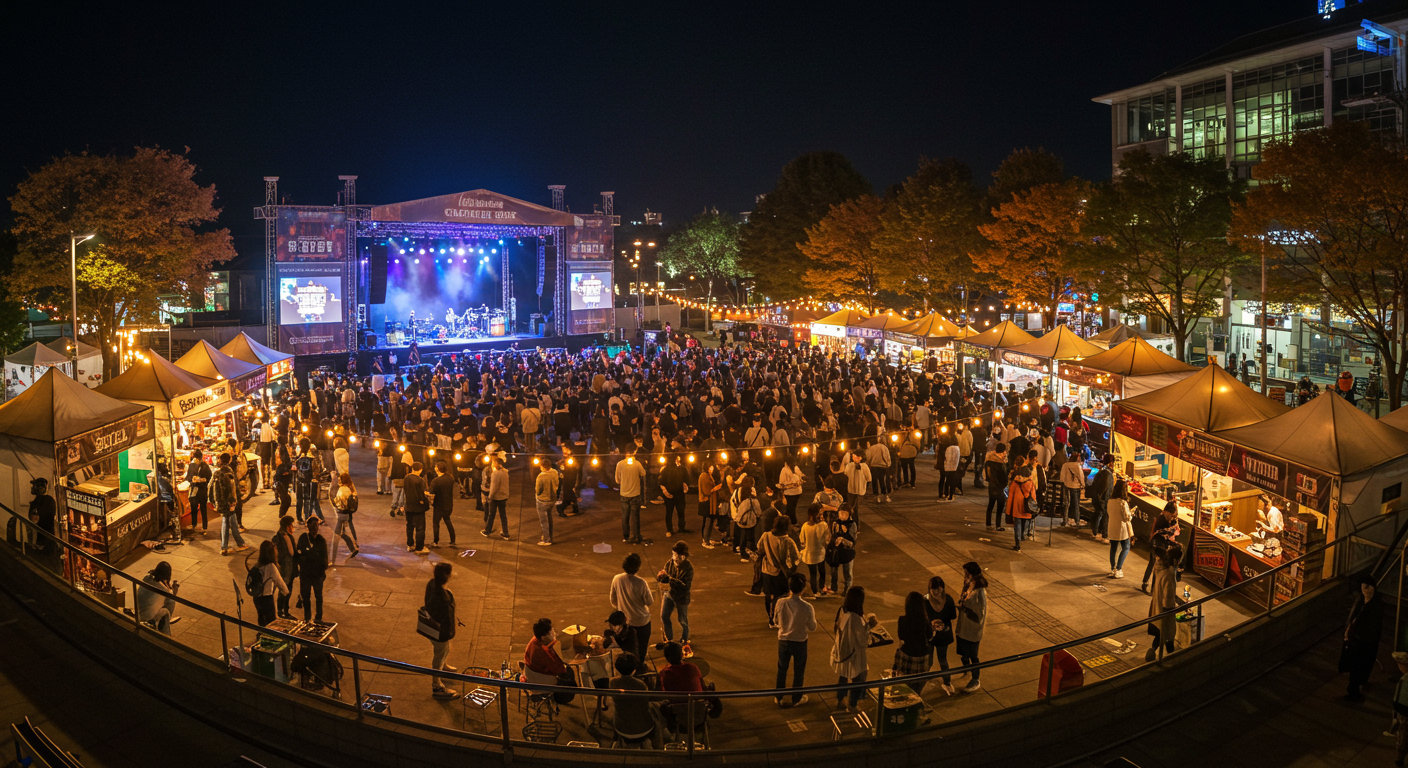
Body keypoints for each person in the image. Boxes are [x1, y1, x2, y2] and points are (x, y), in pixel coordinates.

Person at [773, 572, 815, 708]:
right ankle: (796, 698)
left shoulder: (780, 602)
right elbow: (812, 627)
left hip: (784, 640)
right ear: (802, 588)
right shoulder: (807, 607)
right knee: (799, 671)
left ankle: (779, 696)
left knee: (782, 669)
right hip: (800, 641)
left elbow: (776, 621)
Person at [1341, 575, 1384, 702]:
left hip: (1367, 640)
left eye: (1368, 587)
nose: (1366, 589)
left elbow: (1372, 625)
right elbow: (1353, 617)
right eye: (1364, 586)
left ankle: (1358, 685)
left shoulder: (1375, 605)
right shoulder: (1361, 600)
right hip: (1358, 640)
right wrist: (1348, 631)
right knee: (1357, 665)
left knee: (1363, 663)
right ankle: (1354, 689)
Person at [608, 653, 662, 748]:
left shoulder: (613, 682)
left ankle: (615, 740)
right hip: (644, 728)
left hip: (621, 728)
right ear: (634, 669)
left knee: (617, 712)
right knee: (657, 722)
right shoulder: (641, 685)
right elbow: (645, 703)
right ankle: (658, 749)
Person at [425, 562, 462, 698]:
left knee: (445, 650)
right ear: (446, 576)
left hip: (431, 627)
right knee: (439, 654)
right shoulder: (444, 596)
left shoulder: (431, 583)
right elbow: (446, 617)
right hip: (440, 632)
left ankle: (444, 665)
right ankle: (437, 686)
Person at [831, 586, 870, 712]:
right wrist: (869, 626)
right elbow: (863, 641)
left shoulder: (842, 610)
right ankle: (852, 704)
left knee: (843, 676)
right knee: (858, 678)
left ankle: (840, 699)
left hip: (842, 650)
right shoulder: (856, 618)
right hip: (853, 653)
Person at [610, 552, 655, 657]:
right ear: (637, 567)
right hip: (641, 622)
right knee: (642, 648)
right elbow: (649, 602)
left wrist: (623, 607)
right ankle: (640, 667)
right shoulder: (641, 583)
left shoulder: (617, 579)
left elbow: (613, 600)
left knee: (628, 648)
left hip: (626, 622)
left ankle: (630, 667)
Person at [1144, 543, 1183, 662]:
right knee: (1168, 634)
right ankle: (1172, 658)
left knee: (1160, 633)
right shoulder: (1169, 574)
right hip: (1164, 610)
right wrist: (1173, 608)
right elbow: (1168, 596)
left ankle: (1153, 651)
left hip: (1156, 605)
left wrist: (1178, 601)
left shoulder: (1161, 568)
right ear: (1176, 560)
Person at [759, 515, 800, 626]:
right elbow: (796, 557)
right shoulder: (788, 541)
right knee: (779, 596)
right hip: (780, 573)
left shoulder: (765, 536)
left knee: (768, 595)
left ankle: (770, 618)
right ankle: (777, 618)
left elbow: (759, 549)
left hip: (766, 570)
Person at [891, 591, 934, 693]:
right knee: (918, 684)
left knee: (905, 684)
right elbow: (930, 636)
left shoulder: (902, 619)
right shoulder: (925, 620)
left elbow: (901, 636)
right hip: (922, 656)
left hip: (907, 654)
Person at [956, 561, 987, 693]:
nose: (965, 576)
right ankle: (966, 669)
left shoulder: (979, 592)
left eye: (966, 573)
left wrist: (965, 609)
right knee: (963, 653)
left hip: (972, 630)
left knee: (973, 654)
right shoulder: (969, 586)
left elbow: (979, 614)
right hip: (964, 626)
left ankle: (975, 679)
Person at [925, 575, 958, 695]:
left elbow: (953, 616)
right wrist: (931, 623)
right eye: (934, 589)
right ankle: (922, 680)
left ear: (943, 588)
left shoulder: (948, 600)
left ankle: (947, 682)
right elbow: (922, 617)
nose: (937, 592)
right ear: (930, 589)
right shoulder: (925, 601)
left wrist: (943, 624)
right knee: (928, 660)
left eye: (939, 589)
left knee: (942, 659)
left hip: (943, 635)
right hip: (929, 634)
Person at [656, 541, 693, 646]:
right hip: (669, 594)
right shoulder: (670, 563)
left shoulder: (688, 568)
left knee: (682, 620)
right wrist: (661, 577)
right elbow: (665, 574)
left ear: (684, 556)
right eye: (673, 554)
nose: (675, 558)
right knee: (664, 616)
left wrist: (670, 580)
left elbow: (685, 586)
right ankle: (669, 640)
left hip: (682, 597)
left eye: (677, 555)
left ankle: (684, 639)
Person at [214, 453, 250, 556]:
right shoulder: (229, 473)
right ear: (229, 461)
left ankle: (234, 544)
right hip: (229, 503)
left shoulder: (217, 473)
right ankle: (227, 546)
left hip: (221, 503)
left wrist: (215, 502)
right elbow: (233, 489)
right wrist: (235, 501)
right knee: (228, 522)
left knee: (230, 522)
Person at [1141, 501, 1181, 593]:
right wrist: (1168, 531)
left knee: (1158, 567)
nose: (1172, 516)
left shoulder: (1173, 520)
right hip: (1157, 545)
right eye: (1171, 514)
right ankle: (1146, 583)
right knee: (1153, 564)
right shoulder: (1161, 519)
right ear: (1167, 511)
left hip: (1165, 546)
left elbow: (1175, 530)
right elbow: (1158, 533)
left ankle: (1154, 588)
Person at [295, 517, 328, 624]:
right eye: (312, 525)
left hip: (317, 575)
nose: (315, 527)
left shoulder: (321, 540)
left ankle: (318, 617)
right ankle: (307, 618)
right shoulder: (303, 538)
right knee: (306, 597)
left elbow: (324, 558)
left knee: (319, 597)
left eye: (316, 525)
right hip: (306, 575)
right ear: (308, 526)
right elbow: (299, 555)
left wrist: (321, 571)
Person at [251, 540, 290, 626]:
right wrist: (286, 592)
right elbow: (280, 582)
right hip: (266, 598)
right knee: (271, 622)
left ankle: (261, 633)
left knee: (261, 617)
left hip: (257, 597)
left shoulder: (257, 564)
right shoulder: (271, 566)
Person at [135, 561, 179, 635]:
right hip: (148, 618)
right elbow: (171, 599)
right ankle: (166, 634)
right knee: (167, 609)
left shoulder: (146, 578)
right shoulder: (163, 589)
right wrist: (173, 591)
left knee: (159, 601)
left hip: (137, 613)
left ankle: (161, 624)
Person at [616, 450, 648, 544]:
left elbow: (617, 480)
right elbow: (643, 473)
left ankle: (626, 536)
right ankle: (636, 536)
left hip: (624, 494)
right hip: (635, 494)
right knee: (635, 516)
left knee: (625, 516)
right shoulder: (637, 464)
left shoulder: (620, 464)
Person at [329, 472, 361, 563]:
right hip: (347, 514)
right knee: (342, 533)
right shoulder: (349, 489)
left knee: (335, 537)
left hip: (341, 515)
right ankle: (353, 549)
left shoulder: (342, 490)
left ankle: (333, 560)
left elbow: (337, 502)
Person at [799, 504, 831, 598]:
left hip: (808, 554)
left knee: (813, 574)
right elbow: (827, 540)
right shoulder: (823, 525)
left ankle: (815, 591)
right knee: (822, 572)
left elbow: (802, 540)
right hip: (819, 553)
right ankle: (821, 588)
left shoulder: (805, 526)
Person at [1005, 460, 1036, 553]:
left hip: (1016, 507)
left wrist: (1008, 510)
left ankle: (1017, 543)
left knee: (1017, 524)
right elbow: (1033, 497)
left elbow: (1010, 497)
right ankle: (1023, 535)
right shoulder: (1030, 483)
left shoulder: (1015, 483)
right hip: (1027, 507)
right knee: (1026, 522)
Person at [293, 437, 325, 523]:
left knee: (300, 500)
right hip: (310, 481)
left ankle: (300, 518)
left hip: (300, 481)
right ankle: (310, 518)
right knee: (312, 500)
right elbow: (318, 468)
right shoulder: (311, 456)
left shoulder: (300, 456)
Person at [1106, 479, 1133, 578]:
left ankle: (1112, 568)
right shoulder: (1122, 503)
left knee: (1113, 548)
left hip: (1112, 526)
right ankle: (1119, 568)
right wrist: (1131, 514)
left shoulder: (1110, 501)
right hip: (1121, 529)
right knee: (1126, 547)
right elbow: (1126, 517)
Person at [273, 515, 298, 619]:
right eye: (291, 525)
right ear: (288, 526)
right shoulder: (287, 537)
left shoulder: (276, 537)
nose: (293, 527)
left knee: (282, 589)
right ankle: (284, 610)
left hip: (280, 568)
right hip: (288, 569)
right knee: (287, 589)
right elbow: (292, 553)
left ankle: (280, 610)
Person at [829, 505, 857, 596]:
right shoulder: (835, 523)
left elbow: (853, 542)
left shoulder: (852, 524)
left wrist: (844, 537)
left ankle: (847, 589)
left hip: (847, 551)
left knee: (847, 571)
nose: (843, 516)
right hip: (837, 550)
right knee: (833, 570)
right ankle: (833, 587)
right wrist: (834, 541)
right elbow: (832, 535)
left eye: (845, 514)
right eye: (841, 513)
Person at [659, 454, 690, 538]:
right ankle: (674, 529)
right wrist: (666, 492)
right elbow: (662, 482)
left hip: (675, 494)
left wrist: (685, 487)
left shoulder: (679, 469)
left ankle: (676, 528)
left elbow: (686, 480)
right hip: (674, 494)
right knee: (674, 512)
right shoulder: (670, 469)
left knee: (675, 512)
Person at [429, 460, 457, 548]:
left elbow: (432, 492)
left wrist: (426, 493)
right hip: (448, 504)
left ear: (438, 469)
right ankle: (453, 540)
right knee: (447, 521)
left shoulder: (436, 481)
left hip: (439, 505)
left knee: (436, 523)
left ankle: (435, 541)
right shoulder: (450, 478)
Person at [403, 461, 430, 553]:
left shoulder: (407, 478)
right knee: (420, 528)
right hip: (418, 508)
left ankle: (410, 544)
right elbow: (422, 495)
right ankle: (419, 547)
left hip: (409, 506)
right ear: (420, 469)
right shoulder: (420, 481)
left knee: (410, 526)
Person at [1089, 453, 1115, 543]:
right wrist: (1103, 499)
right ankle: (1103, 534)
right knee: (1104, 516)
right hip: (1103, 499)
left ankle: (1096, 532)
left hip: (1099, 498)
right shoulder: (1107, 474)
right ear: (1111, 463)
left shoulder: (1102, 472)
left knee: (1098, 514)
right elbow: (1105, 488)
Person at [483, 455, 510, 540]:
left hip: (496, 497)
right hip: (504, 496)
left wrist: (490, 497)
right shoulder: (505, 472)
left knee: (492, 514)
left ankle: (487, 531)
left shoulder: (495, 474)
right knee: (503, 515)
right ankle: (505, 533)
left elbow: (494, 487)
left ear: (497, 463)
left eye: (494, 462)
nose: (493, 463)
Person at [533, 458, 560, 546]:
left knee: (544, 521)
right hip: (552, 499)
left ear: (543, 467)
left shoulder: (541, 476)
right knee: (549, 519)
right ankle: (549, 536)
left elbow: (538, 490)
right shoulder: (555, 472)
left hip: (542, 500)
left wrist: (537, 495)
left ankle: (547, 539)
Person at [983, 443, 1009, 532]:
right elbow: (1004, 477)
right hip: (1000, 487)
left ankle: (988, 524)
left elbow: (987, 474)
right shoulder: (1001, 463)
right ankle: (998, 525)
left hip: (991, 486)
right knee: (1000, 506)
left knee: (991, 504)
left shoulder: (989, 461)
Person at [1058, 449, 1085, 528]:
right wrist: (1083, 485)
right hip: (1076, 487)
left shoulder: (1065, 465)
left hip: (1067, 486)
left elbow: (1062, 477)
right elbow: (1081, 476)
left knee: (1067, 504)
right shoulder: (1077, 466)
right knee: (1076, 504)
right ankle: (1077, 520)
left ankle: (1065, 519)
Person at [185, 450, 211, 532]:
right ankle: (196, 525)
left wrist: (202, 480)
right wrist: (193, 480)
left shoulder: (204, 466)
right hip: (197, 489)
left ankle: (203, 526)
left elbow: (209, 477)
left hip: (200, 489)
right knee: (195, 508)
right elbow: (189, 477)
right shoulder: (193, 465)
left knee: (202, 508)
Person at [1391, 651, 1408, 766]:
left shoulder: (1405, 679)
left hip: (1405, 714)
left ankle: (1400, 759)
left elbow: (1399, 700)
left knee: (1403, 737)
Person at [779, 455, 805, 519]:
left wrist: (801, 480)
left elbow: (801, 477)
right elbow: (782, 482)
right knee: (790, 509)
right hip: (789, 493)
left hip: (797, 492)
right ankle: (792, 522)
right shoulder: (784, 470)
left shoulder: (796, 468)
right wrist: (791, 484)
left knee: (791, 508)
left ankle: (792, 522)